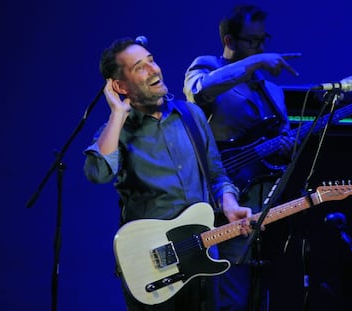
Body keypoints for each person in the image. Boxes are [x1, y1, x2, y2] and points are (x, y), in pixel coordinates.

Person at [83, 36, 254, 311]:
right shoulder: (117, 132)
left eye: (151, 61)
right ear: (119, 85)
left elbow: (217, 175)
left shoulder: (192, 115)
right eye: (140, 67)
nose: (154, 70)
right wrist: (117, 114)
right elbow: (97, 173)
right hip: (153, 263)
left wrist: (230, 204)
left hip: (202, 252)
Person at [183, 4, 301, 311]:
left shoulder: (272, 91)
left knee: (260, 294)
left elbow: (282, 138)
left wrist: (287, 147)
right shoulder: (206, 67)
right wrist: (256, 62)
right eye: (252, 42)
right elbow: (200, 92)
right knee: (227, 294)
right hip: (219, 200)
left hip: (262, 204)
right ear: (229, 41)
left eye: (264, 41)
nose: (261, 48)